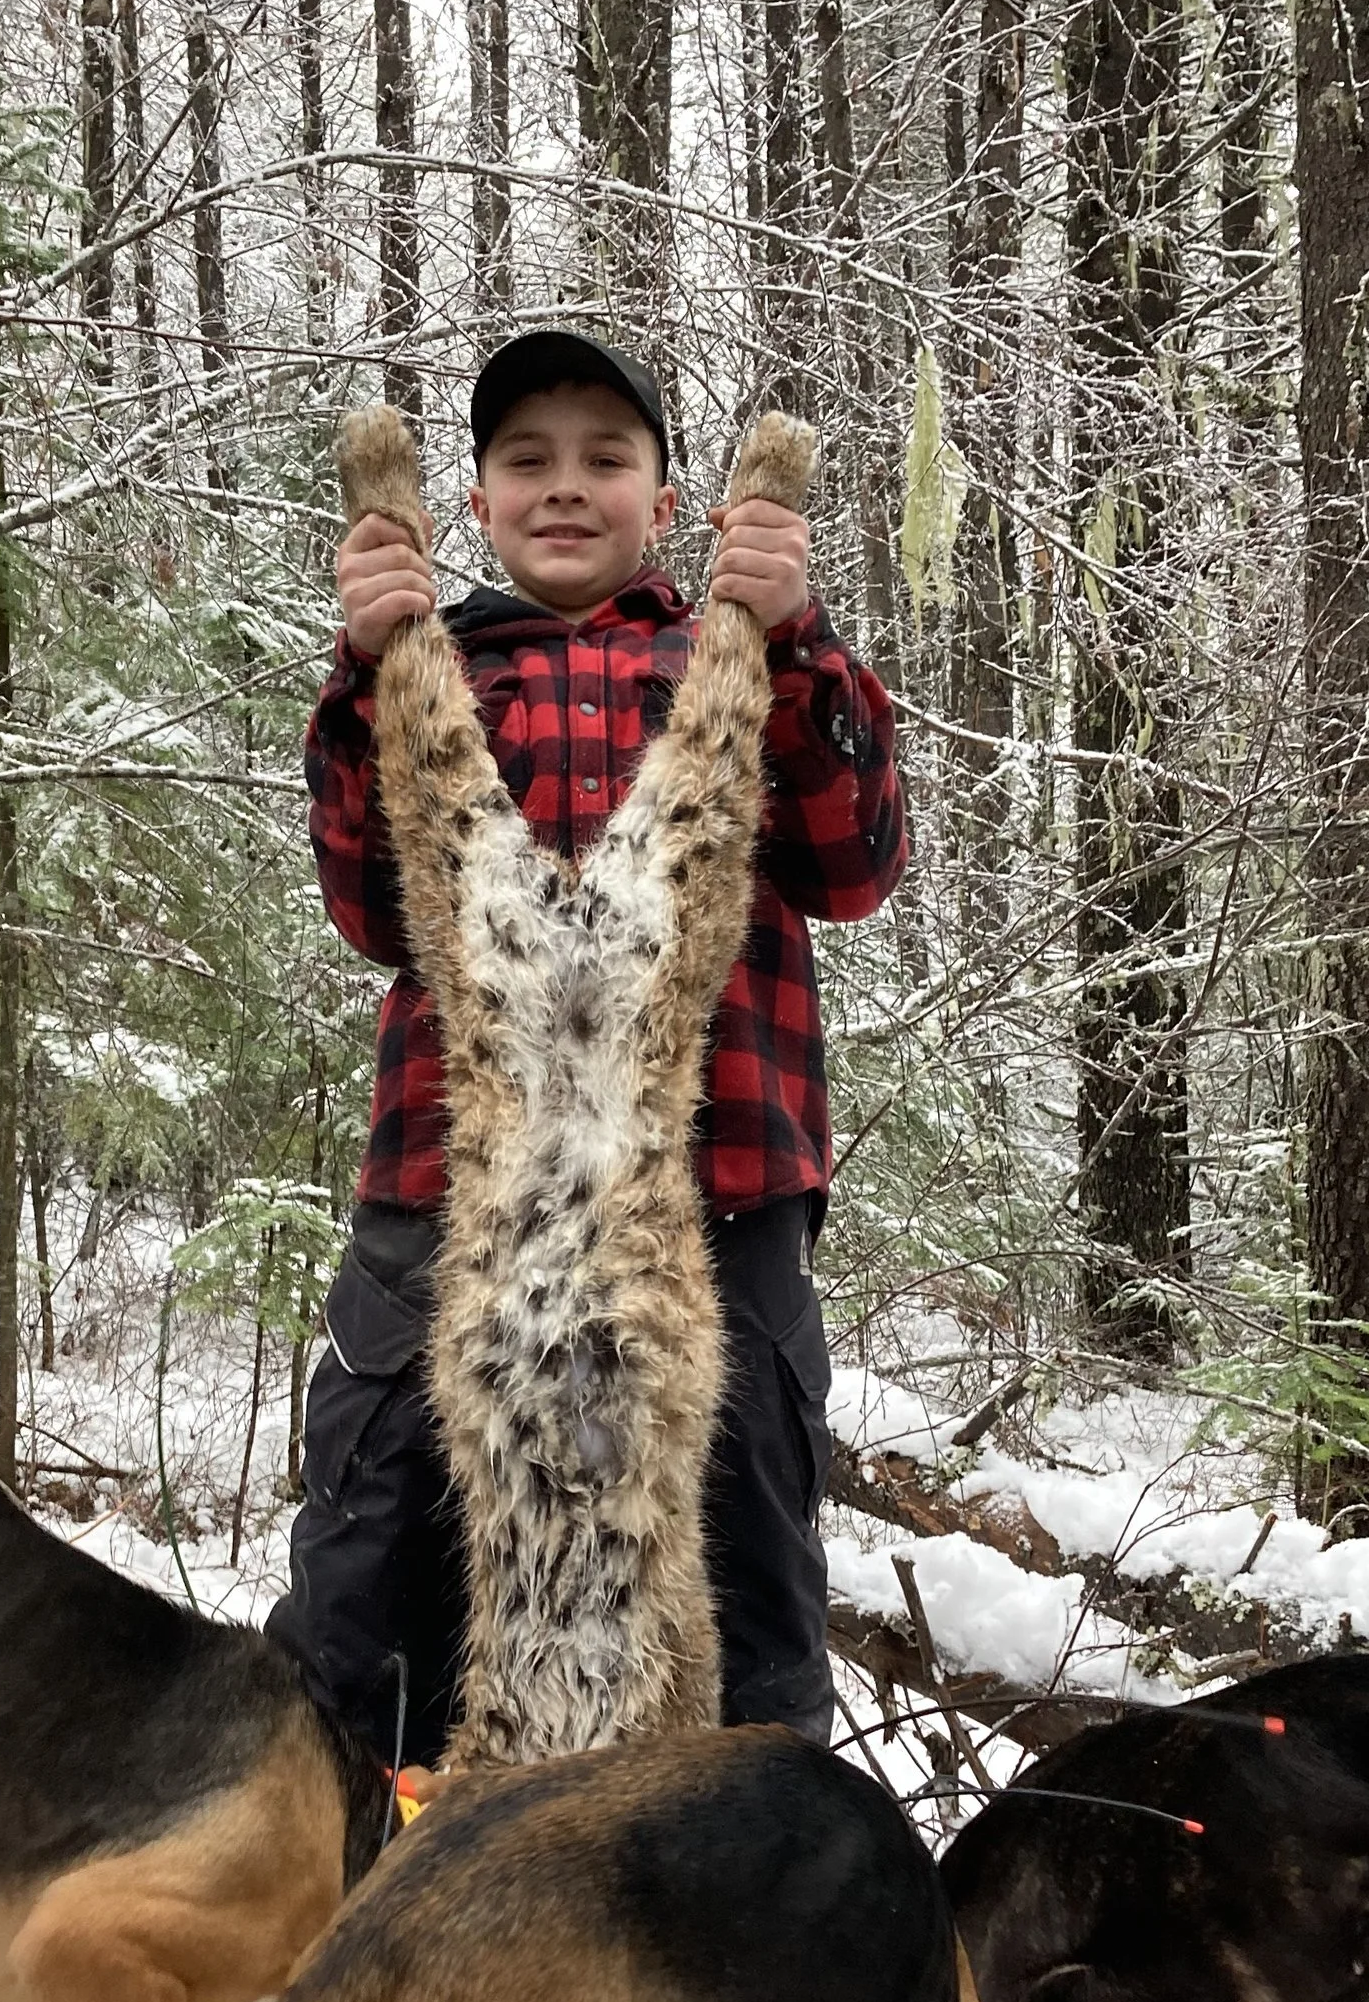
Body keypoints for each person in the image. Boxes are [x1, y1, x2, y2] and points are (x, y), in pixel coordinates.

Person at [264, 325, 907, 1768]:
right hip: (443, 1196)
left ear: (666, 500)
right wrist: (367, 671)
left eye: (606, 460)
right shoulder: (440, 666)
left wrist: (793, 637)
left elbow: (856, 865)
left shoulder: (726, 658)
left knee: (737, 1593)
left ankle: (734, 1923)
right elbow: (370, 910)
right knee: (373, 1581)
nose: (567, 489)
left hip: (711, 1198)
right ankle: (369, 1910)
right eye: (527, 462)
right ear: (477, 503)